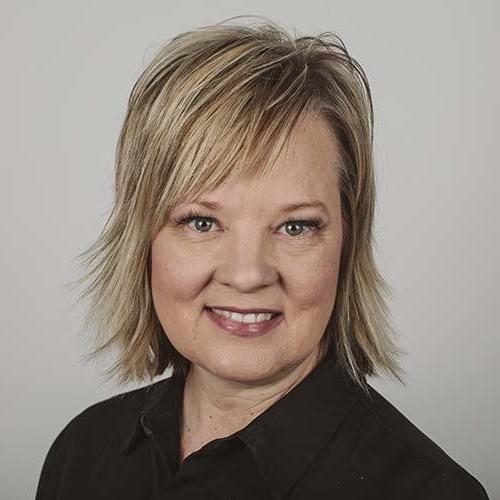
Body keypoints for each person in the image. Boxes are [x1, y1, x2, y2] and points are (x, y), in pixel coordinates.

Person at [35, 16, 489, 500]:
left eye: (295, 226)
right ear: (142, 239)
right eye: (201, 222)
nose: (248, 274)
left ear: (346, 243)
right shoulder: (81, 452)